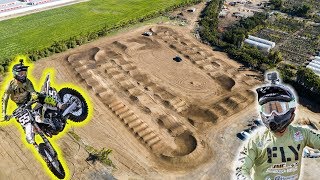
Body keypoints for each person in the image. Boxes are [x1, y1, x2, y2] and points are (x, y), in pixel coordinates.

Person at [235, 71, 320, 180]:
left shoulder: (303, 134)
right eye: (268, 109)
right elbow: (241, 169)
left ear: (291, 109)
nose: (273, 114)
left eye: (279, 108)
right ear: (262, 112)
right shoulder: (255, 140)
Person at [1, 59, 63, 147]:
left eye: (24, 73)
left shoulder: (27, 82)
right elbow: (5, 98)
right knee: (25, 121)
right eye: (21, 73)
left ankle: (58, 104)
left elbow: (32, 91)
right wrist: (4, 114)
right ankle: (36, 137)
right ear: (15, 73)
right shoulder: (10, 85)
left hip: (29, 99)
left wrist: (33, 94)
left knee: (40, 96)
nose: (23, 75)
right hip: (20, 104)